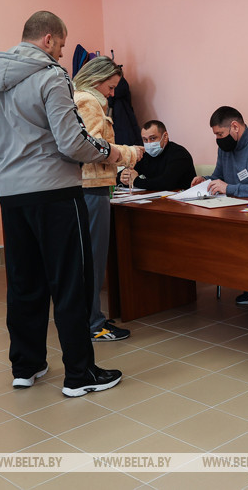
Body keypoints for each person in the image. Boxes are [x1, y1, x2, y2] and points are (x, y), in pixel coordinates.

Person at [0, 11, 123, 398]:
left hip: (12, 195)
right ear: (48, 39)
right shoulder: (51, 75)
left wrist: (5, 145)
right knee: (71, 283)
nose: (61, 54)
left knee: (24, 282)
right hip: (55, 193)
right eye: (61, 46)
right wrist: (110, 152)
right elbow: (72, 142)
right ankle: (80, 374)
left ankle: (26, 367)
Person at [73, 57, 144, 342]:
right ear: (96, 80)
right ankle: (93, 323)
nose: (113, 94)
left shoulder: (78, 98)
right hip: (91, 188)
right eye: (111, 87)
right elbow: (92, 148)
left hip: (87, 186)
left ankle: (89, 317)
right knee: (93, 257)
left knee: (88, 257)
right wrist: (129, 153)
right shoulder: (89, 101)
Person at [191, 106, 248, 304]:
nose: (218, 139)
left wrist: (229, 188)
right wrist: (205, 181)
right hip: (232, 210)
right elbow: (219, 177)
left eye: (220, 134)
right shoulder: (225, 149)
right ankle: (234, 276)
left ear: (235, 126)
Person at [119, 120, 196, 191]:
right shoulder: (145, 155)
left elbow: (166, 183)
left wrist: (136, 181)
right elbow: (123, 175)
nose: (149, 143)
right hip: (156, 198)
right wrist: (124, 178)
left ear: (165, 137)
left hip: (182, 199)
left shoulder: (179, 153)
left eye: (153, 138)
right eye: (145, 140)